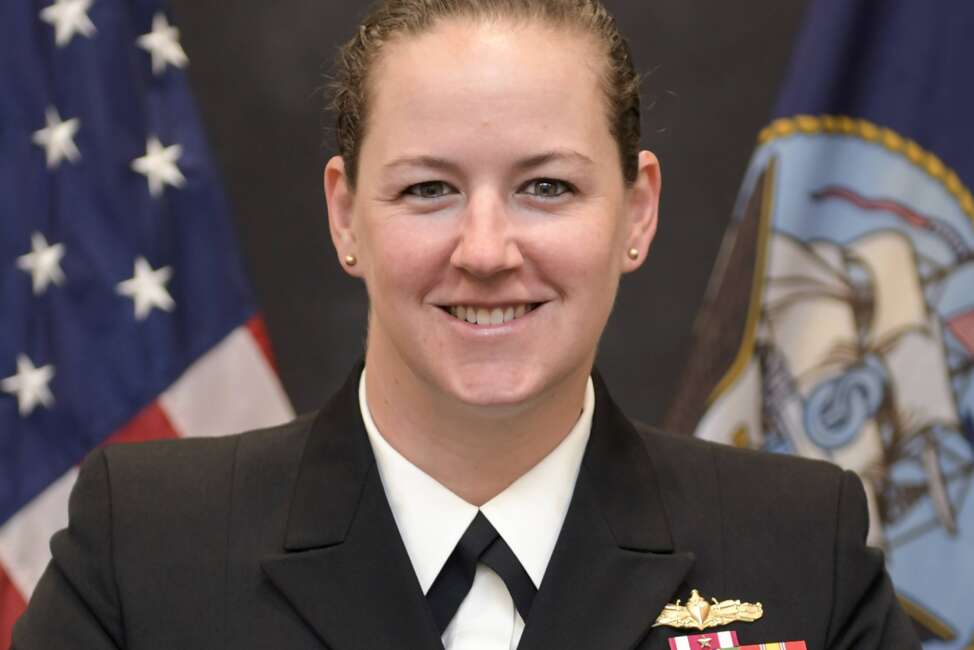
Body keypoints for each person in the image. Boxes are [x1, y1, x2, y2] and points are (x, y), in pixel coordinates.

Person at [13, 1, 920, 648]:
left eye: (547, 187)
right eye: (429, 189)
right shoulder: (145, 548)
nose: (486, 249)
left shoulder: (801, 546)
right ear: (344, 217)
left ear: (638, 212)